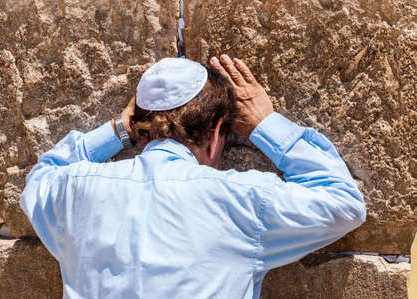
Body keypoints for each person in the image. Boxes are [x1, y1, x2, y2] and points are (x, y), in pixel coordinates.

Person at [20, 55, 366, 299]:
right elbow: (342, 202)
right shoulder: (243, 200)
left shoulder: (74, 190)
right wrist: (266, 125)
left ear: (141, 128)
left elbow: (39, 180)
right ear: (218, 132)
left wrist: (117, 130)